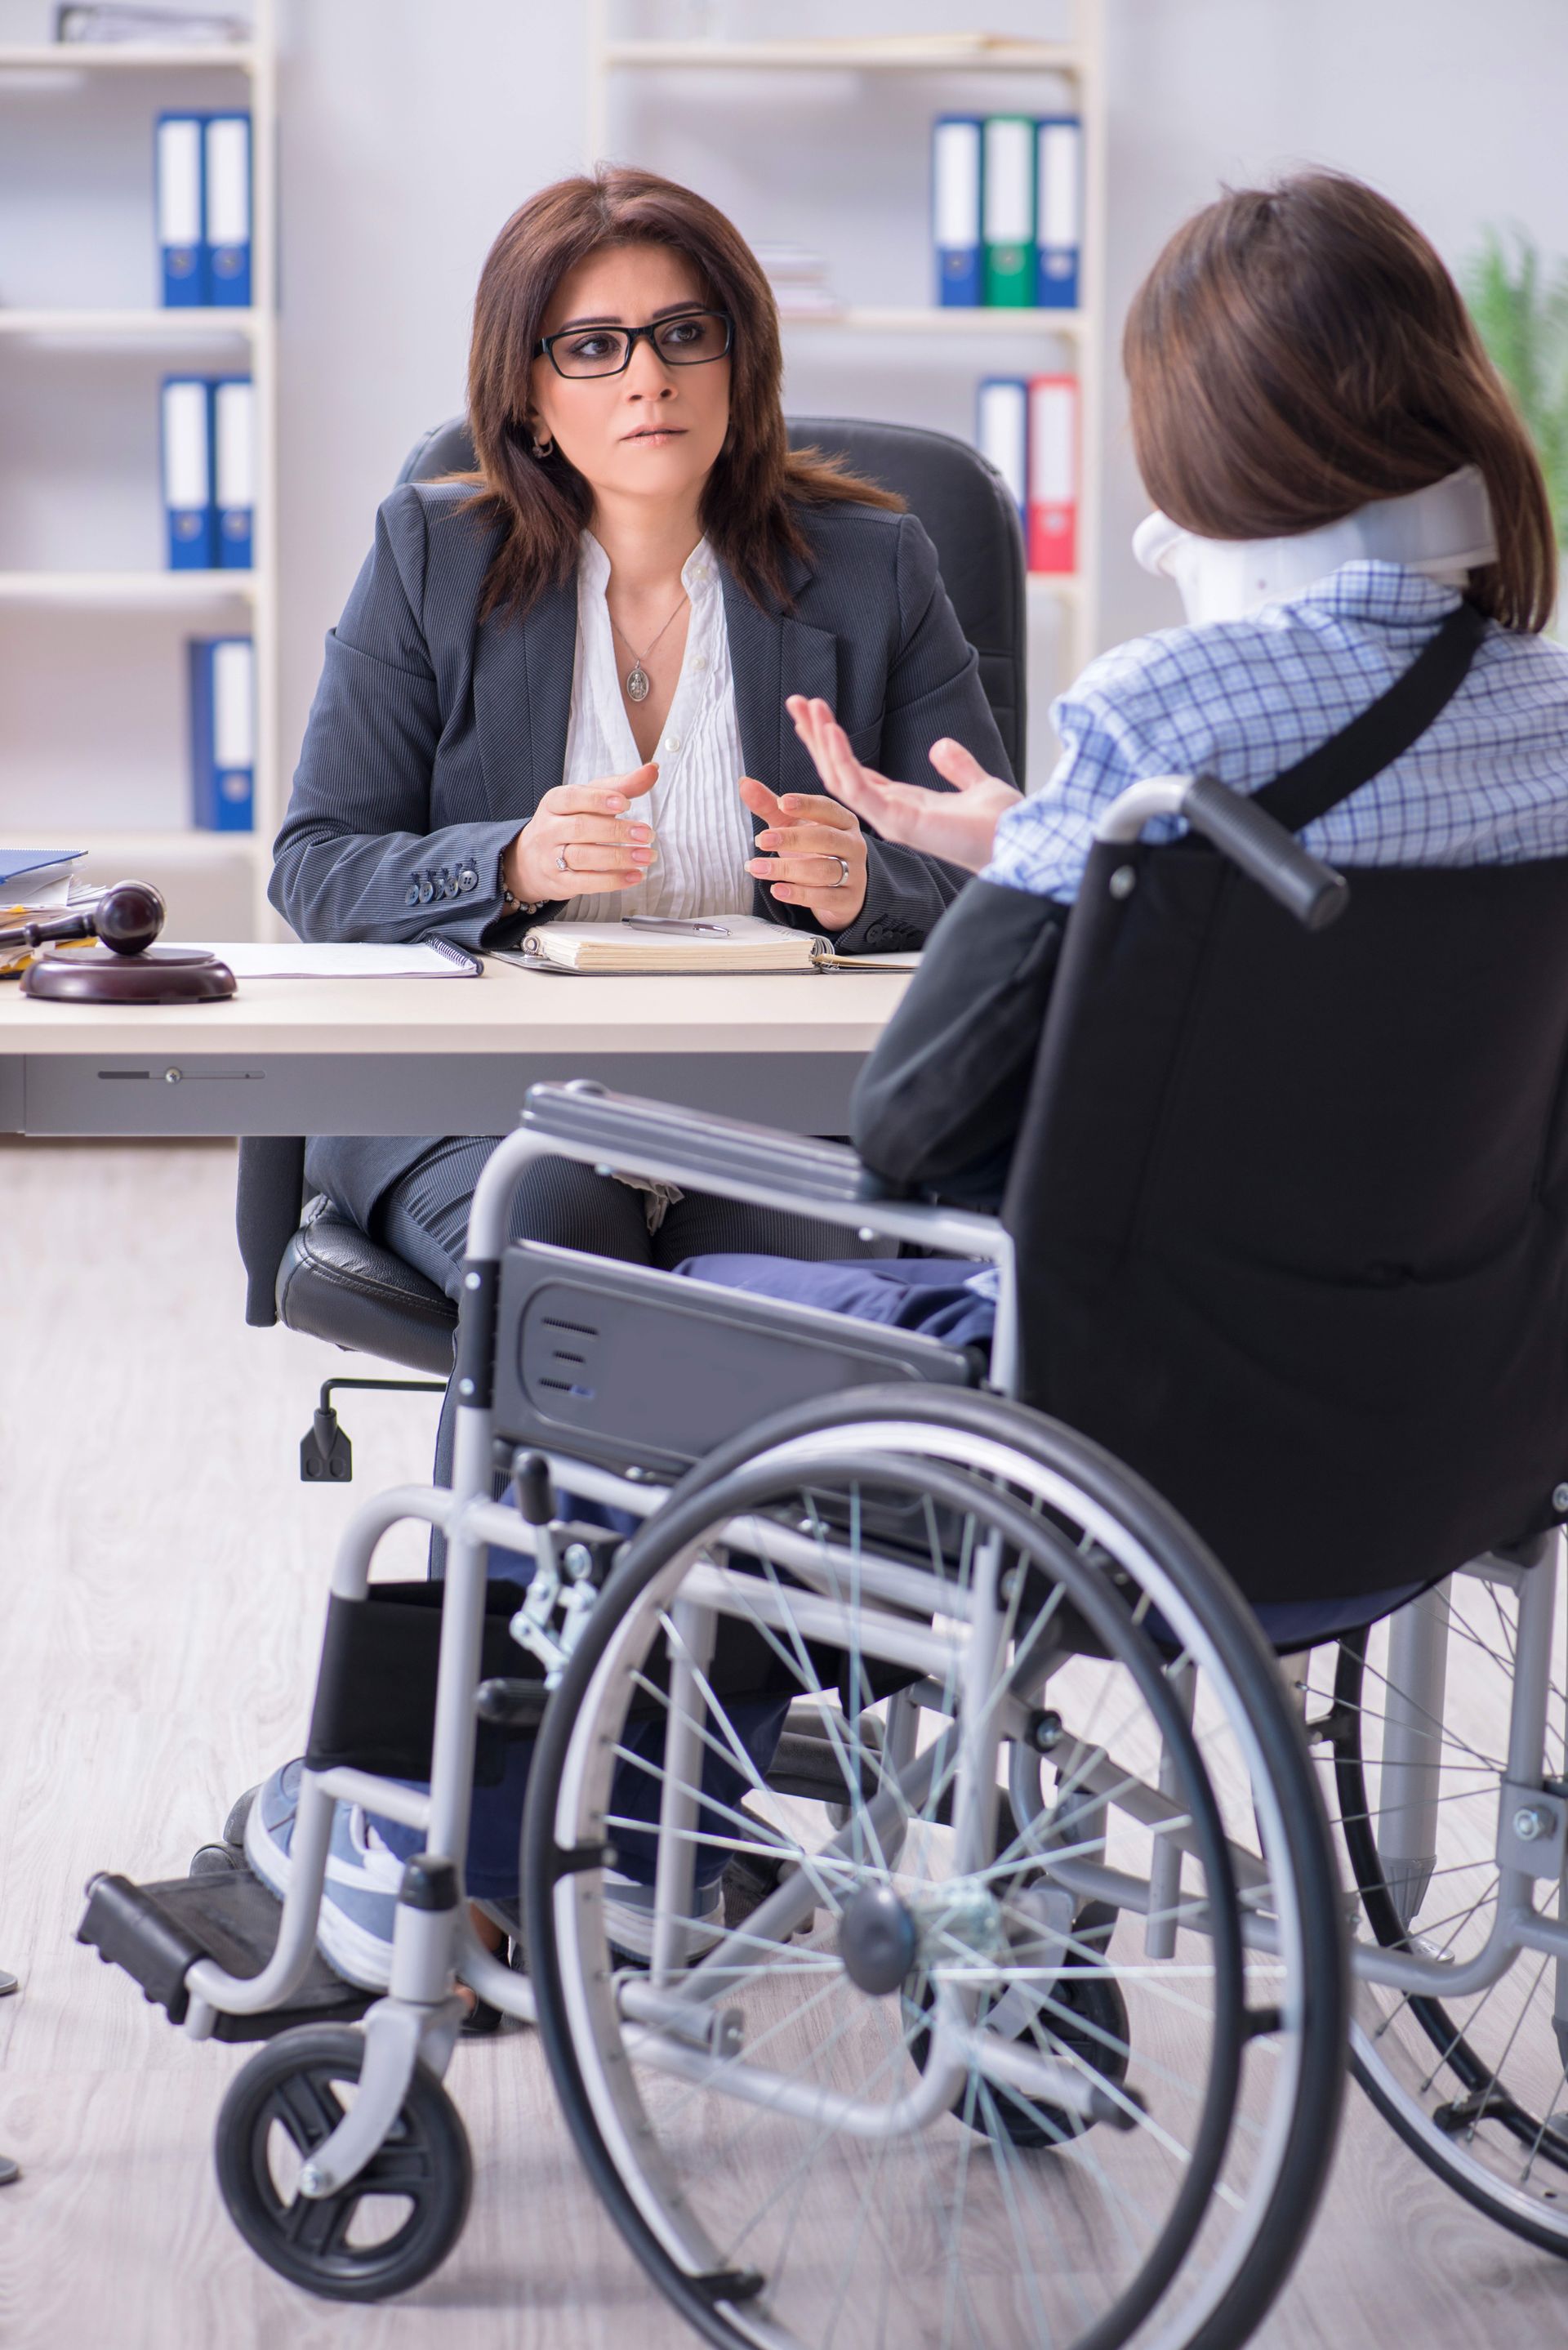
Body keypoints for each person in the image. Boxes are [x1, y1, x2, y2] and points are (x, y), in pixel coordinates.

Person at [247, 165, 1009, 1994]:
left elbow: (1002, 860)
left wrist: (871, 878)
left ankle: (651, 1795)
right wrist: (504, 861)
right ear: (531, 393)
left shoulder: (877, 560)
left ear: (734, 358)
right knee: (564, 1237)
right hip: (476, 1108)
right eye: (595, 344)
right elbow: (316, 859)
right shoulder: (436, 553)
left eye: (682, 332)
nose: (646, 375)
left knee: (787, 1301)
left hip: (754, 1107)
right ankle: (483, 1802)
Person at [683, 170, 1568, 1384]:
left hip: (1142, 1424)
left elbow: (917, 1117)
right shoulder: (1555, 719)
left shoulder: (1165, 713)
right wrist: (1049, 844)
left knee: (647, 1305)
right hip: (1451, 1423)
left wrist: (1056, 861)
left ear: (1206, 445)